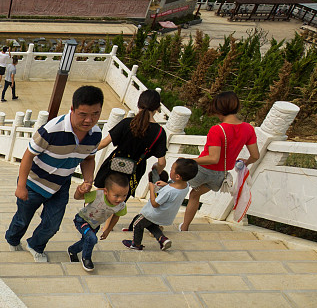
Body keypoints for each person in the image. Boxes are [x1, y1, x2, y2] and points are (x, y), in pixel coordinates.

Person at [5, 86, 104, 263]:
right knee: (22, 219)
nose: (89, 120)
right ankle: (12, 238)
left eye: (95, 114)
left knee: (52, 224)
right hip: (34, 183)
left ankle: (35, 245)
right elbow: (28, 155)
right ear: (72, 109)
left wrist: (88, 180)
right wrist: (21, 186)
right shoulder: (51, 130)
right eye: (83, 114)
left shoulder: (95, 134)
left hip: (60, 185)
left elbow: (89, 158)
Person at [180, 91, 260, 231]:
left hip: (202, 171)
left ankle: (168, 222)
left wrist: (188, 160)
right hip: (220, 175)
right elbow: (255, 156)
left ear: (218, 108)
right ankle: (184, 227)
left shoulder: (217, 130)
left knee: (173, 188)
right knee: (194, 194)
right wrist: (246, 162)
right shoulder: (248, 129)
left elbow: (213, 158)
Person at [93, 88, 167, 194]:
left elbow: (104, 143)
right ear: (157, 108)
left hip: (113, 165)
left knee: (100, 195)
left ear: (138, 104)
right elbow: (162, 162)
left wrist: (85, 153)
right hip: (134, 172)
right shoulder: (159, 132)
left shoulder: (127, 123)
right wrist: (157, 170)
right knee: (120, 199)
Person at [125, 158, 198, 251]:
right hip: (164, 216)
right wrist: (166, 184)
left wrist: (151, 189)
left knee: (137, 224)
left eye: (172, 169)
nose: (170, 170)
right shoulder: (186, 186)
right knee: (151, 225)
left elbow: (155, 203)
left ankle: (136, 244)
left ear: (177, 176)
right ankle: (162, 239)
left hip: (152, 213)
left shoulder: (168, 191)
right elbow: (174, 190)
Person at [67, 172, 130, 272]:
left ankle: (72, 250)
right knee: (92, 239)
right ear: (106, 191)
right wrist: (79, 190)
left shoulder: (121, 205)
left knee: (87, 240)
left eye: (124, 195)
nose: (120, 199)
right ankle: (86, 258)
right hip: (82, 220)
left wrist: (108, 230)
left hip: (95, 225)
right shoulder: (97, 195)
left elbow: (116, 217)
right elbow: (77, 197)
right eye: (116, 195)